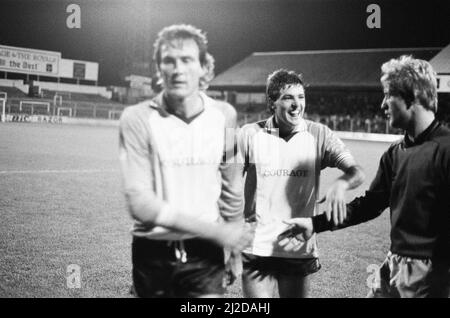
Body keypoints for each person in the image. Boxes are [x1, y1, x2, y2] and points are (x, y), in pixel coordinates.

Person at [279, 56, 450, 298]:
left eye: (388, 94)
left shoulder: (445, 150)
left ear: (412, 96)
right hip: (393, 265)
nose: (382, 104)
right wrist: (314, 224)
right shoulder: (394, 153)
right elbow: (370, 206)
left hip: (434, 274)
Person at [119, 24, 250, 298]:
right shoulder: (137, 118)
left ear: (204, 67)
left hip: (206, 256)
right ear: (159, 69)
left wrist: (234, 246)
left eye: (187, 60)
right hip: (152, 252)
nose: (178, 69)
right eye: (169, 60)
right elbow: (139, 203)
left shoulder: (225, 115)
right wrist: (217, 232)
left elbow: (233, 186)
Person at [238, 69, 365, 298]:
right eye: (288, 98)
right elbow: (226, 182)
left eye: (301, 97)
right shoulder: (247, 133)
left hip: (298, 246)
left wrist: (342, 183)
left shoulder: (320, 134)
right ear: (272, 103)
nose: (297, 104)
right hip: (255, 246)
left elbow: (357, 172)